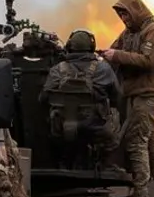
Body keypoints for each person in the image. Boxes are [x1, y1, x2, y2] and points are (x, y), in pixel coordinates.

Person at [100, 0, 154, 197]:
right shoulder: (129, 33)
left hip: (148, 93)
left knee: (136, 142)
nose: (124, 19)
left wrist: (116, 56)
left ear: (136, 9)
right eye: (120, 15)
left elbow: (148, 60)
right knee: (151, 145)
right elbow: (113, 51)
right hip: (134, 94)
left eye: (126, 13)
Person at [39, 29, 124, 170]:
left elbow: (43, 98)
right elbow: (117, 97)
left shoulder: (57, 70)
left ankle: (62, 160)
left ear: (69, 46)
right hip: (95, 126)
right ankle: (105, 161)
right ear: (91, 47)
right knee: (114, 113)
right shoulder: (103, 68)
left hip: (61, 127)